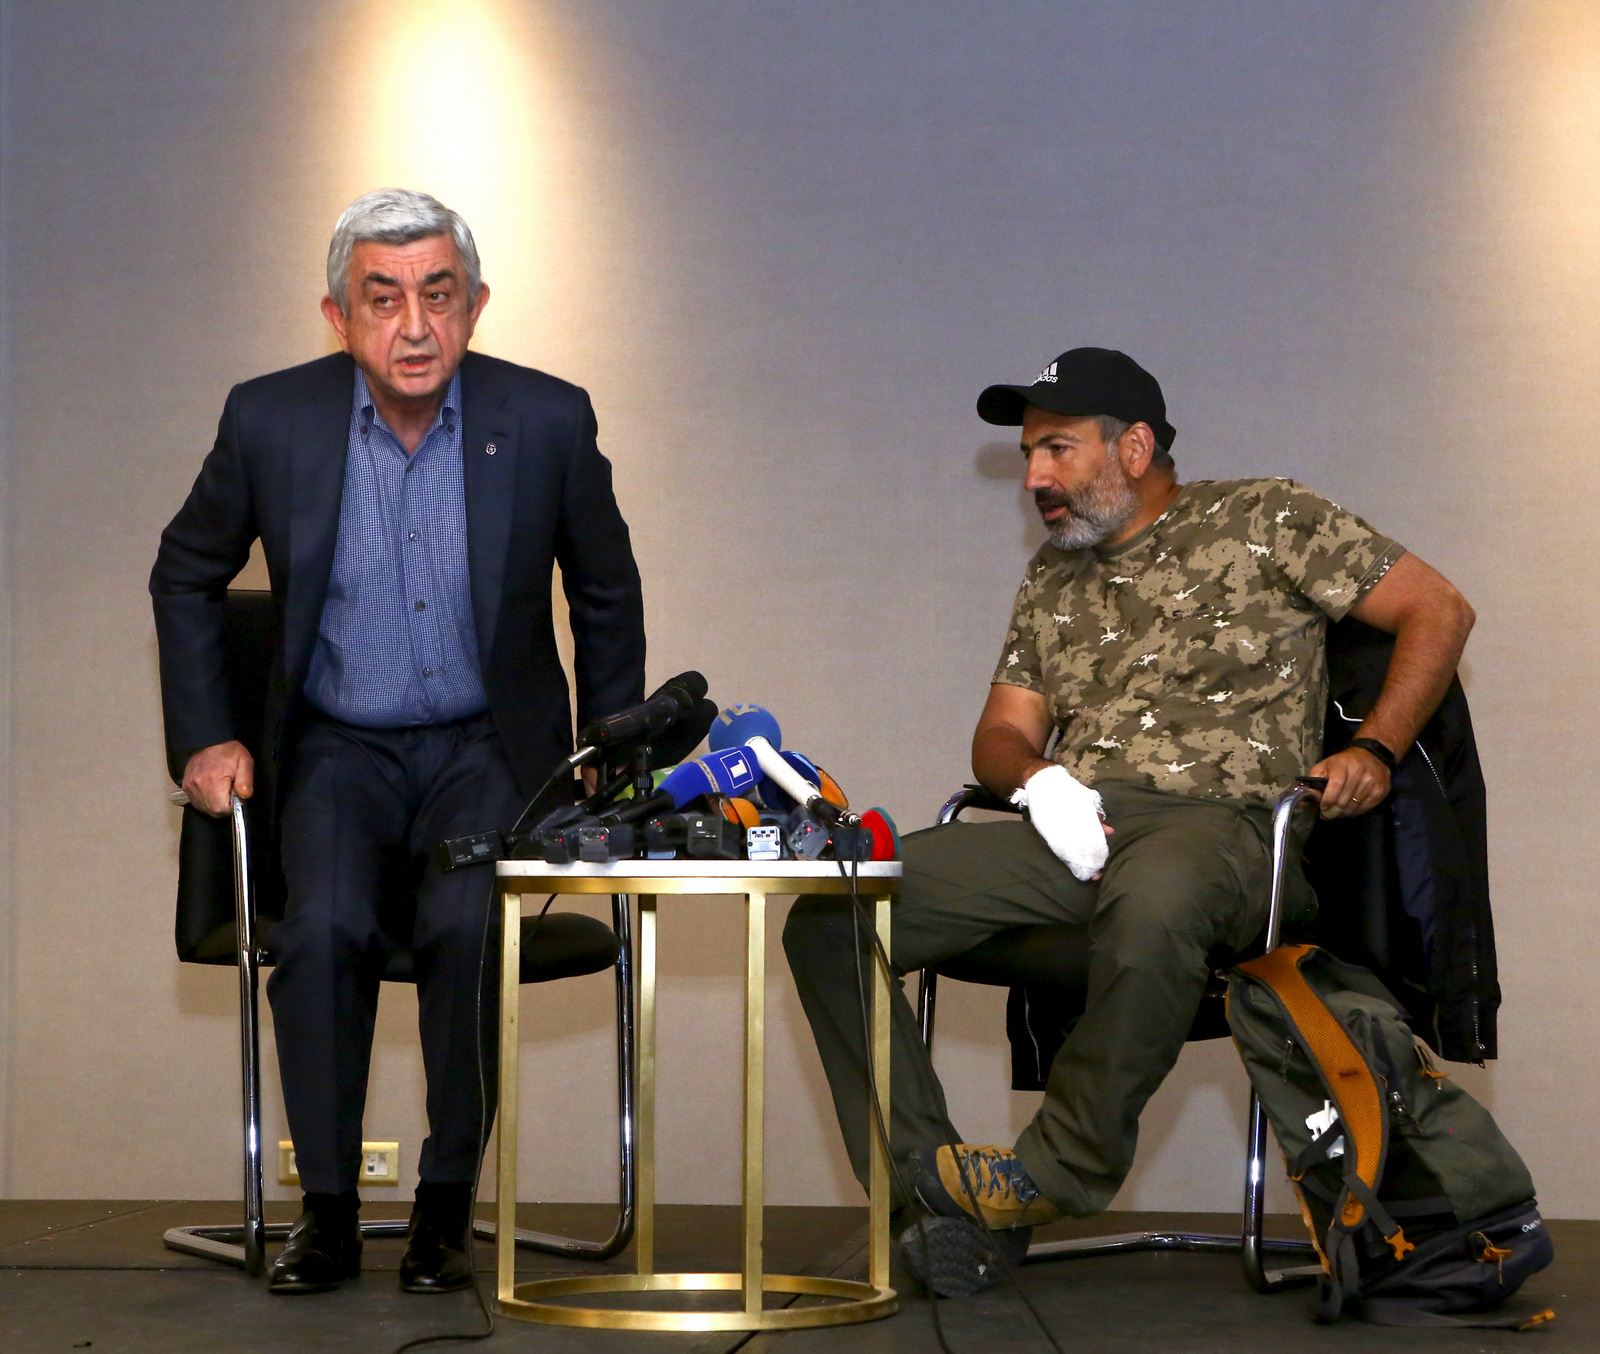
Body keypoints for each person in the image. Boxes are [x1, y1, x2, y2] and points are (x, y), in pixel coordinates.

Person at [782, 346, 1475, 1294]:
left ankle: (1051, 1173)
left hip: (1225, 833)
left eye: (1057, 449)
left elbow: (1439, 609)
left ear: (1135, 447)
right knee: (833, 910)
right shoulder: (1052, 578)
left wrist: (1377, 751)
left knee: (1154, 902)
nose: (1035, 477)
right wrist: (1039, 783)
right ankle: (933, 1200)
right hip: (1078, 832)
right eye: (1030, 455)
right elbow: (1000, 733)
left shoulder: (1267, 516)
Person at [150, 189, 646, 1295]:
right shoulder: (269, 419)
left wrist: (609, 750)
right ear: (339, 316)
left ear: (476, 305)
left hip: (488, 749)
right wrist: (207, 736)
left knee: (467, 931)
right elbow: (185, 573)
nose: (413, 326)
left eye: (438, 295)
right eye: (384, 299)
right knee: (322, 931)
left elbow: (605, 590)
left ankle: (443, 1207)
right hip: (339, 747)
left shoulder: (548, 418)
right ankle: (326, 1213)